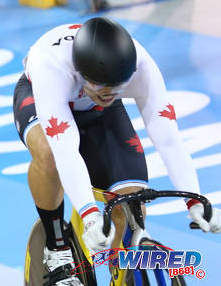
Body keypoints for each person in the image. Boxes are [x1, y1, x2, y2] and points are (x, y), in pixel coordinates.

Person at [12, 17, 221, 285]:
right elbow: (66, 150)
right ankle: (57, 250)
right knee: (50, 155)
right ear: (81, 71)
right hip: (42, 98)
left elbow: (169, 140)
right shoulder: (52, 67)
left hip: (99, 113)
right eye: (101, 86)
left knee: (131, 200)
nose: (109, 93)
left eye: (118, 88)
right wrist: (89, 215)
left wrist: (195, 200)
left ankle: (119, 267)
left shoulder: (141, 67)